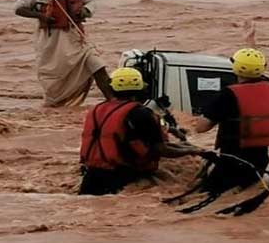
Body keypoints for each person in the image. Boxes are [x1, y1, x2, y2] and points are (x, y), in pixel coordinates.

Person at [79, 68, 203, 196]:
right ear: (141, 90)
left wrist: (184, 146)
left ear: (112, 89)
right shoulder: (142, 113)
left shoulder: (96, 109)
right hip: (125, 177)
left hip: (90, 177)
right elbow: (161, 149)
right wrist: (193, 151)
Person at [15, 0, 113, 107]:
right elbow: (19, 9)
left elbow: (91, 2)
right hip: (51, 42)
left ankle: (113, 102)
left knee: (98, 66)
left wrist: (86, 11)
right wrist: (41, 16)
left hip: (76, 38)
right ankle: (54, 106)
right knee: (54, 77)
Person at [194, 48, 269, 195]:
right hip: (260, 162)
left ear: (235, 68)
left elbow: (201, 128)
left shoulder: (228, 95)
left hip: (232, 162)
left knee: (203, 196)